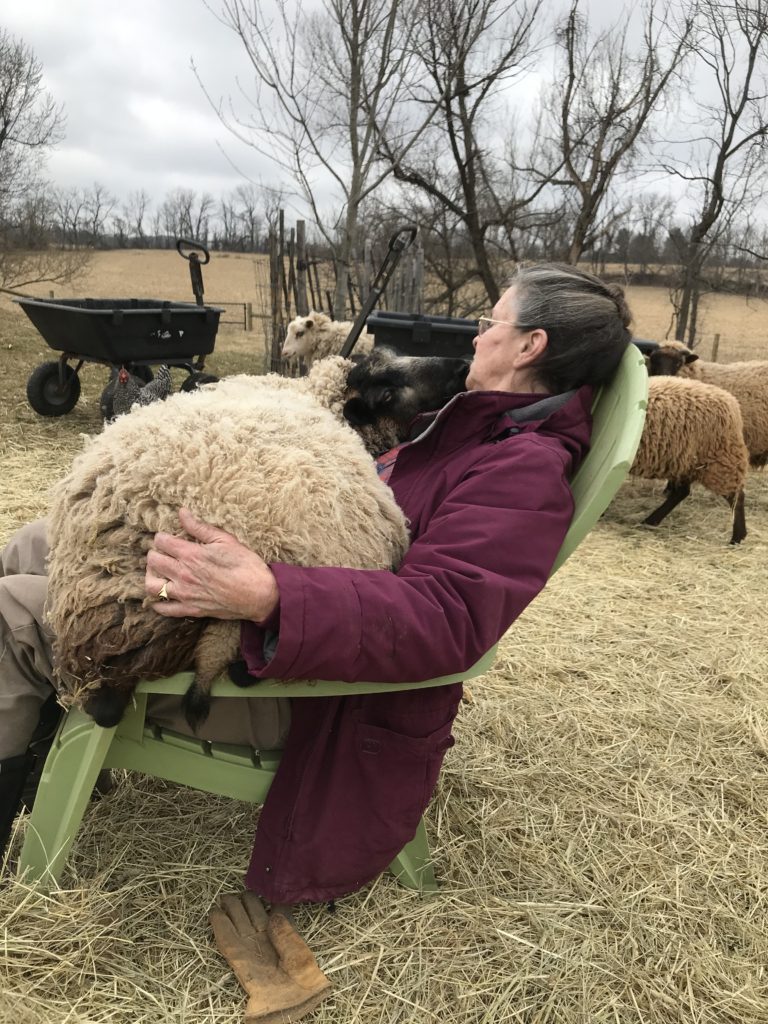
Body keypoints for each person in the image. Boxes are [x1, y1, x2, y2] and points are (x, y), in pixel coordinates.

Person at [0, 263, 632, 901]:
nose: (476, 336)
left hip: (312, 686)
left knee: (9, 616)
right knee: (38, 540)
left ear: (531, 345)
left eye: (490, 323)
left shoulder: (522, 470)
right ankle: (35, 737)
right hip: (301, 619)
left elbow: (446, 617)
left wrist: (272, 594)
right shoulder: (478, 426)